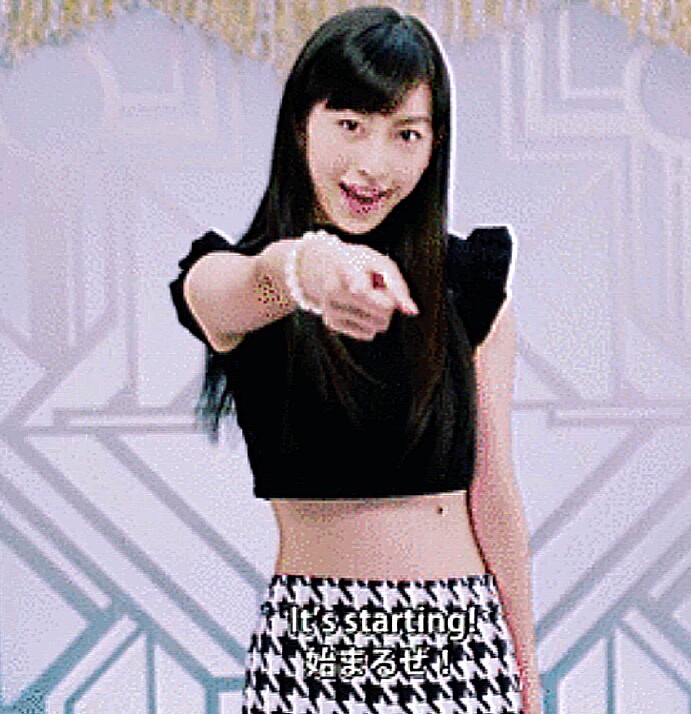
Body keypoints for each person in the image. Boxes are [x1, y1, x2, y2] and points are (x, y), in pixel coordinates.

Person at [168, 6, 541, 713]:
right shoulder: (241, 281)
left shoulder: (470, 284)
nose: (373, 164)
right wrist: (310, 269)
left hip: (459, 642)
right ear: (301, 125)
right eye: (350, 125)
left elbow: (495, 493)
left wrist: (526, 672)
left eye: (406, 134)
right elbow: (235, 286)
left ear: (434, 147)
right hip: (316, 644)